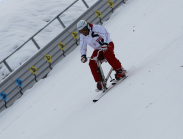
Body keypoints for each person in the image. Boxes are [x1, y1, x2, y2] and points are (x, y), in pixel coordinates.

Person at [77, 20, 126, 91]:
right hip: (98, 49)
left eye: (84, 30)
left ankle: (120, 70)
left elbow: (106, 34)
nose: (84, 32)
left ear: (87, 26)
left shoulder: (96, 28)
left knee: (107, 54)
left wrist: (105, 44)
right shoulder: (83, 36)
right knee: (92, 62)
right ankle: (100, 81)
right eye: (81, 31)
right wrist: (83, 55)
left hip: (108, 44)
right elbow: (82, 46)